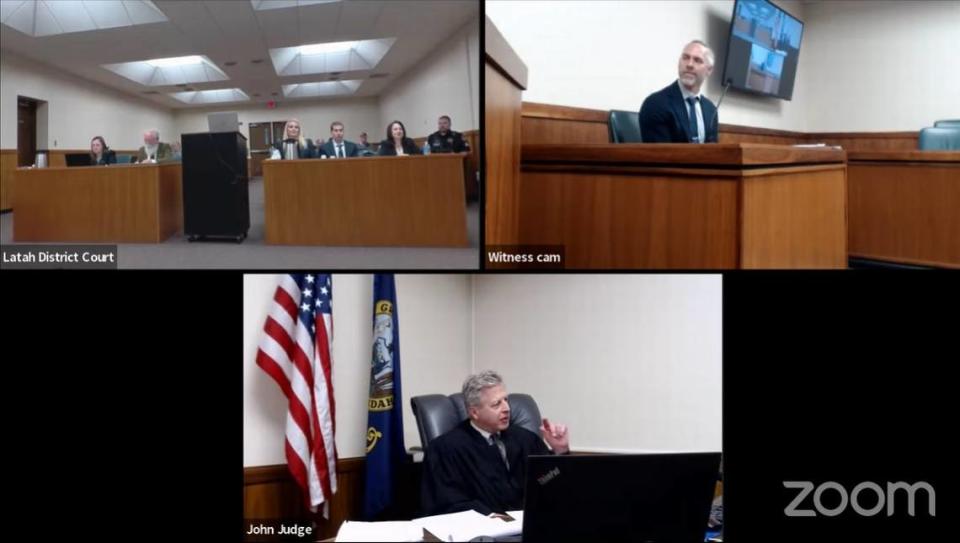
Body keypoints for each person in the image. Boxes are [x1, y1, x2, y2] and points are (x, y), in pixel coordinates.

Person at [421, 370, 570, 516]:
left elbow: (549, 481)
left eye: (506, 400)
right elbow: (447, 502)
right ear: (474, 412)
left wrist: (560, 452)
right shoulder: (445, 449)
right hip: (482, 532)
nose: (507, 408)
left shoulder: (525, 439)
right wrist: (490, 516)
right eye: (496, 404)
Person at [639, 40, 719, 143]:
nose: (689, 64)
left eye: (697, 60)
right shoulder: (656, 104)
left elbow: (713, 152)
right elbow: (659, 156)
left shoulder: (710, 109)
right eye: (685, 58)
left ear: (709, 70)